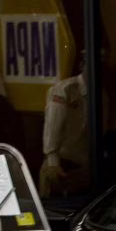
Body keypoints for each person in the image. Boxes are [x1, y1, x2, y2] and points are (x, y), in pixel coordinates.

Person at [40, 52, 89, 197]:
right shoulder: (65, 89)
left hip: (83, 164)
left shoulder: (101, 92)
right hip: (61, 161)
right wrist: (53, 160)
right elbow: (52, 125)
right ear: (82, 65)